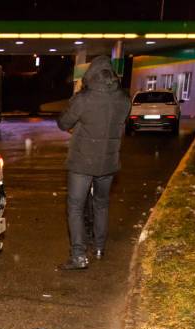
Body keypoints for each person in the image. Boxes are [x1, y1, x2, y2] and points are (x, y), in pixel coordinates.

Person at [57, 56, 131, 270]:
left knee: (76, 207)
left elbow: (63, 122)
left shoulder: (84, 99)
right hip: (108, 162)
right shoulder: (124, 99)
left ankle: (79, 255)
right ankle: (99, 247)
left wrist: (77, 95)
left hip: (82, 162)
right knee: (101, 204)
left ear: (91, 74)